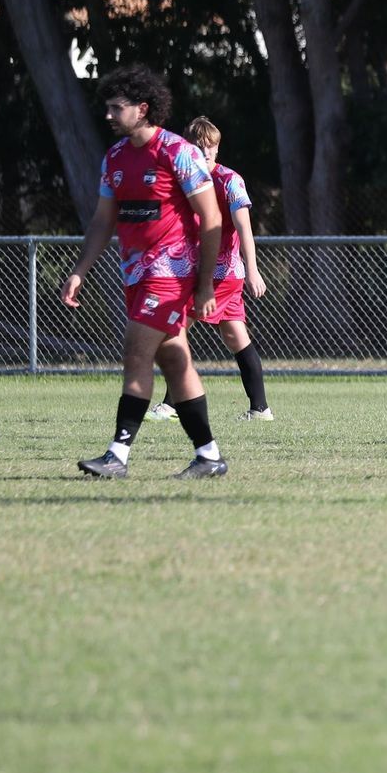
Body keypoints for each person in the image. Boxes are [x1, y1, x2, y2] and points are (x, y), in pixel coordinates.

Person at [61, 65, 229, 479]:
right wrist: (80, 269)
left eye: (117, 108)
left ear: (143, 109)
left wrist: (205, 283)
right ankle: (209, 457)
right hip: (135, 276)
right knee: (175, 361)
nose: (109, 116)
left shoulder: (179, 153)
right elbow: (103, 221)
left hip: (172, 274)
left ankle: (117, 454)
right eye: (108, 108)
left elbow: (211, 220)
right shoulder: (115, 157)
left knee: (136, 351)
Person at [147, 116, 272, 422]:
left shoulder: (229, 180)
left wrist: (253, 270)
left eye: (210, 146)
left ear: (217, 148)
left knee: (174, 331)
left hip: (221, 274)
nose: (204, 152)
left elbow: (244, 229)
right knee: (235, 337)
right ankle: (261, 409)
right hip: (197, 270)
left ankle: (171, 405)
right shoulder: (184, 181)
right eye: (198, 146)